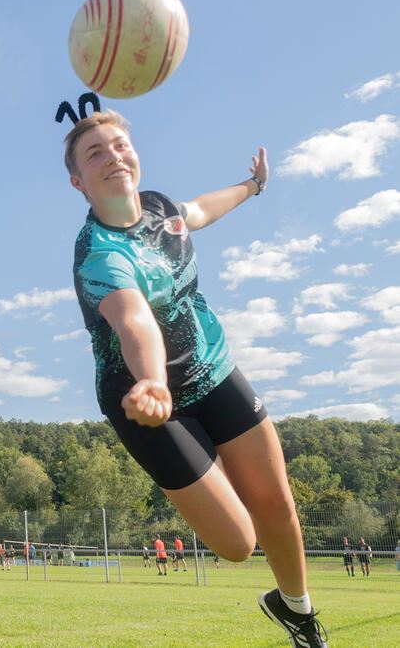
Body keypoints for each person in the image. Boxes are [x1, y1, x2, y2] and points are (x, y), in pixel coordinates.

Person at [66, 108, 326, 646]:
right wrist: (153, 381)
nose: (113, 156)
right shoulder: (97, 253)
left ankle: (298, 613)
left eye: (119, 145)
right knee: (237, 543)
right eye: (95, 154)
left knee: (277, 500)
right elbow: (134, 317)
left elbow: (201, 211)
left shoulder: (160, 208)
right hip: (146, 398)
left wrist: (252, 187)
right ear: (78, 182)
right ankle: (205, 477)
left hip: (214, 368)